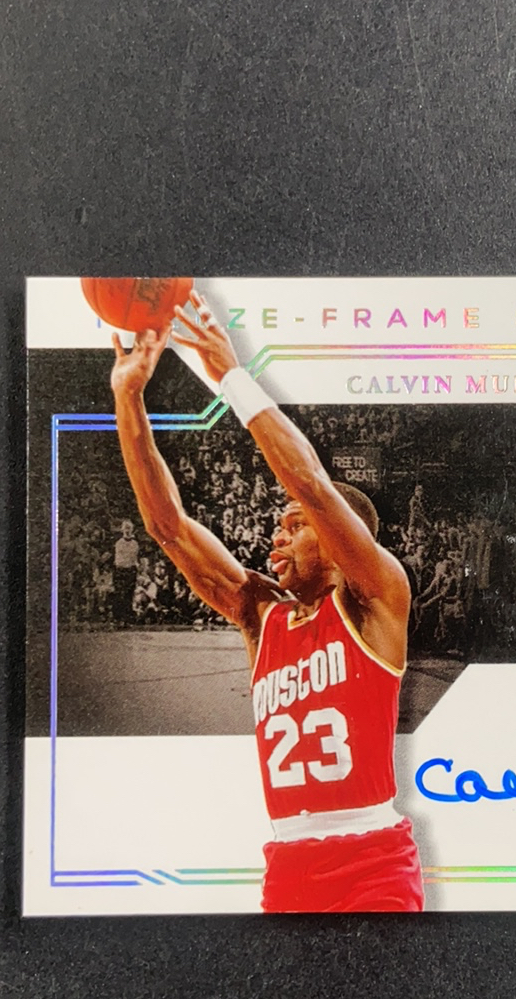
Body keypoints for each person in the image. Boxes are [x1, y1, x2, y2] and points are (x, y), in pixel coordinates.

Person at [109, 289, 422, 913]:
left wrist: (230, 374)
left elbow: (310, 482)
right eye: (279, 525)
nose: (276, 536)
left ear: (336, 541)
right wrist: (128, 398)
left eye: (295, 525)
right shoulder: (262, 615)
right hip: (288, 867)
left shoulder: (375, 600)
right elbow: (168, 528)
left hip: (373, 863)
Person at [112, 519, 140, 625]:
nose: (127, 530)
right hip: (120, 570)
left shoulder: (135, 544)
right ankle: (118, 619)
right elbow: (119, 560)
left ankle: (127, 619)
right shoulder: (119, 543)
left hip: (130, 571)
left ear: (132, 529)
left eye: (129, 528)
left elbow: (134, 558)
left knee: (129, 594)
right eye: (125, 528)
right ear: (122, 529)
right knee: (119, 594)